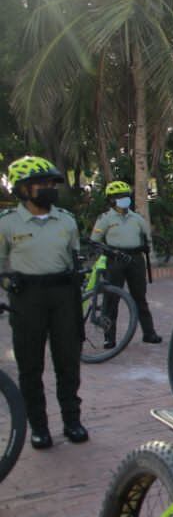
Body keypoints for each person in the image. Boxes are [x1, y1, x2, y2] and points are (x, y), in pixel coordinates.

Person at [0, 157, 85, 449]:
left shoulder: (66, 220)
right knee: (30, 366)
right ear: (22, 189)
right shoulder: (8, 224)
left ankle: (72, 421)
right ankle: (39, 427)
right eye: (42, 183)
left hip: (63, 296)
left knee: (68, 362)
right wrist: (8, 283)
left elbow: (75, 256)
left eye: (51, 184)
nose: (49, 188)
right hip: (27, 299)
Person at [90, 181, 162, 347]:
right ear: (111, 200)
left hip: (135, 259)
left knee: (140, 298)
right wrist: (108, 252)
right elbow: (95, 241)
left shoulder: (137, 218)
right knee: (111, 299)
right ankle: (109, 337)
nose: (124, 199)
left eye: (125, 196)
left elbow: (147, 238)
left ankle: (149, 333)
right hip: (114, 260)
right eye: (119, 197)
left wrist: (146, 247)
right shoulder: (105, 219)